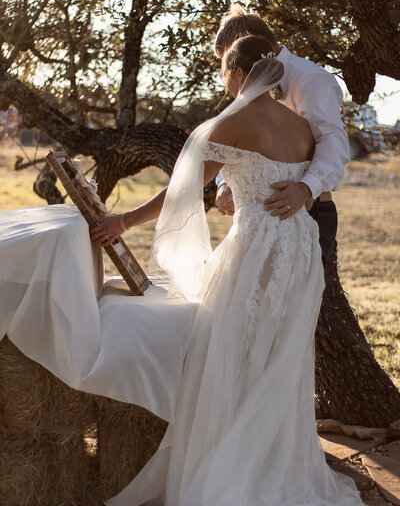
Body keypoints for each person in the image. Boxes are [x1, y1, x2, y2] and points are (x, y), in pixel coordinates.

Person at [87, 35, 364, 506]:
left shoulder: (232, 122)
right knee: (280, 357)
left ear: (237, 73)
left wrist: (122, 221)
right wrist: (238, 193)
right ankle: (274, 460)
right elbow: (281, 180)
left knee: (232, 352)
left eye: (224, 74)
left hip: (256, 247)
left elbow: (181, 191)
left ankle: (230, 469)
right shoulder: (302, 126)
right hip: (298, 248)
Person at [212, 4, 349, 264]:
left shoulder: (310, 79)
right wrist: (225, 184)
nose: (228, 71)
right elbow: (235, 142)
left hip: (310, 211)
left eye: (229, 57)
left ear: (249, 43)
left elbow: (334, 144)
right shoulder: (249, 90)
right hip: (261, 222)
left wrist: (305, 189)